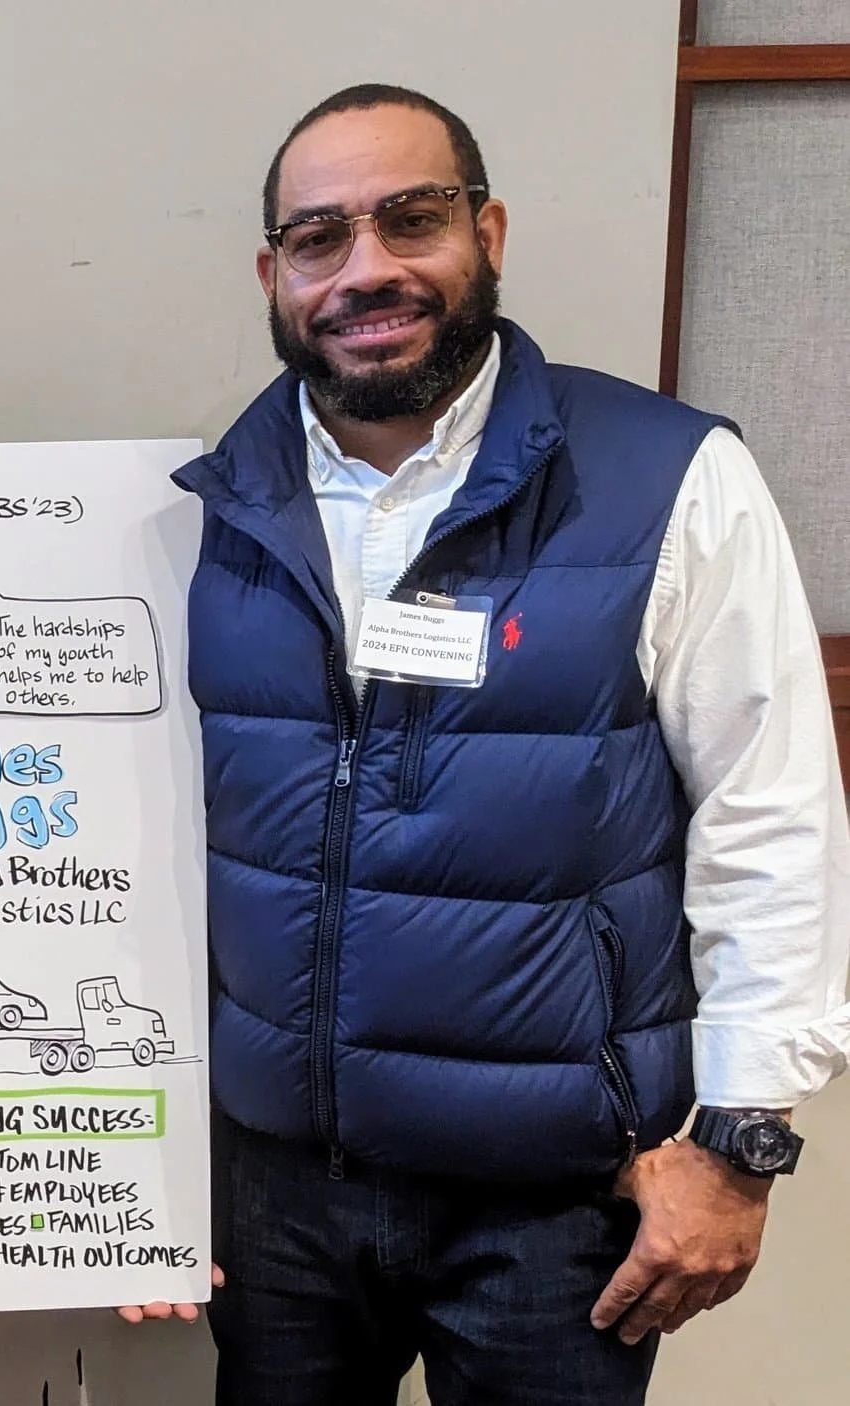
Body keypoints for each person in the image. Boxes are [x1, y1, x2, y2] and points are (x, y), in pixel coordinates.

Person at [140, 83, 850, 1404]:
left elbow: (776, 811)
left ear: (489, 231)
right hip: (279, 1190)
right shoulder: (199, 508)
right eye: (320, 238)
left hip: (555, 1205)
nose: (369, 270)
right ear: (272, 271)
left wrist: (742, 1141)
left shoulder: (667, 476)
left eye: (412, 219)